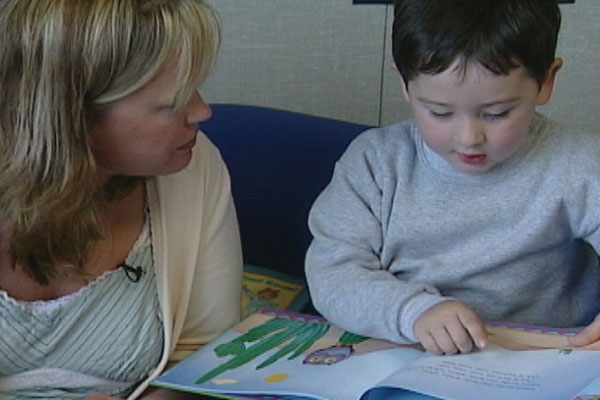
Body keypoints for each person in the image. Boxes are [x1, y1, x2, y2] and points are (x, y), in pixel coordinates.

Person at [305, 0, 600, 356]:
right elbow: (332, 274)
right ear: (403, 82)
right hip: (409, 349)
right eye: (440, 113)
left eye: (497, 113)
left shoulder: (580, 162)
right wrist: (414, 311)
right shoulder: (375, 164)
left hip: (543, 358)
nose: (469, 138)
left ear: (545, 82)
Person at [0, 0, 242, 398]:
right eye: (171, 104)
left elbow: (203, 361)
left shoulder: (194, 168)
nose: (203, 111)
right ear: (72, 116)